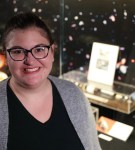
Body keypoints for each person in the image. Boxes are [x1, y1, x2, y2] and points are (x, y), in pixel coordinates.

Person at [0, 12, 101, 150]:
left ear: (52, 52)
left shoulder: (74, 94)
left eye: (39, 49)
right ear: (6, 56)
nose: (30, 61)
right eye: (18, 51)